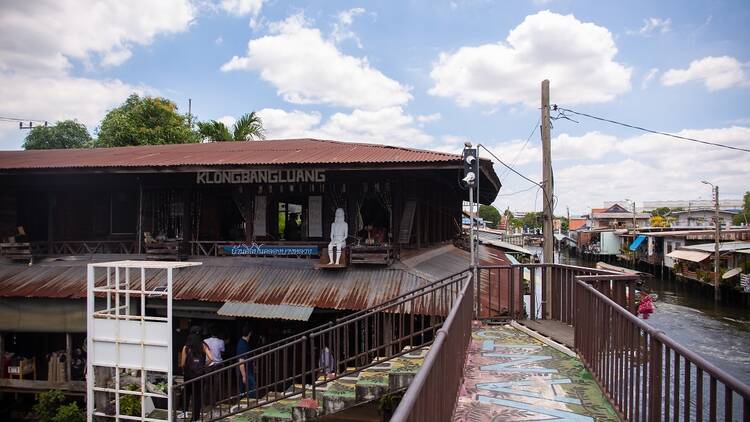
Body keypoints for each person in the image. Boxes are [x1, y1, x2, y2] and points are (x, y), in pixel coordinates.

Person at [180, 326, 213, 420]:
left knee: (186, 393)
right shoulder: (203, 345)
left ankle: (184, 412)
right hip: (199, 375)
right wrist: (204, 366)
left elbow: (182, 363)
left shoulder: (186, 347)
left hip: (188, 375)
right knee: (197, 396)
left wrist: (186, 367)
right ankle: (195, 418)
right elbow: (211, 358)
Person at [236, 326, 256, 399]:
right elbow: (241, 361)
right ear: (249, 334)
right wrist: (244, 375)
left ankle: (242, 405)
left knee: (242, 389)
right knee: (252, 389)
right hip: (245, 370)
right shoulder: (243, 345)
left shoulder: (243, 342)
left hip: (246, 369)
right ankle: (251, 404)